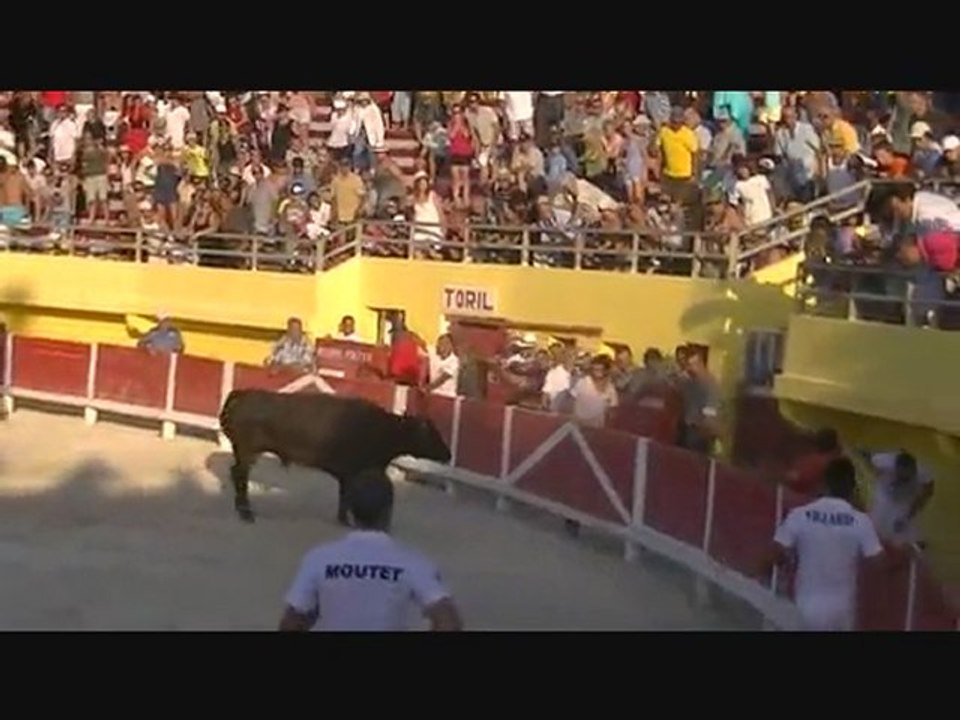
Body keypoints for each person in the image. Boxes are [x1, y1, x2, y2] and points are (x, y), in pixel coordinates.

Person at [278, 468, 464, 632]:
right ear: (388, 511)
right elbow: (449, 622)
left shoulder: (319, 559)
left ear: (349, 513)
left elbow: (292, 622)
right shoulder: (412, 561)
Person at [761, 457, 885, 632]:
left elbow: (774, 555)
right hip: (843, 609)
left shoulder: (800, 515)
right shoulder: (861, 521)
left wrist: (761, 572)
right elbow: (879, 562)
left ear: (824, 483)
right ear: (852, 488)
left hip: (807, 606)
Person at [864, 450, 934, 549]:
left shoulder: (923, 474)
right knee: (880, 517)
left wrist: (909, 515)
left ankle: (911, 540)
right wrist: (875, 472)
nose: (903, 480)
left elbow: (927, 493)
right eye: (901, 477)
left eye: (907, 477)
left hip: (908, 494)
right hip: (884, 491)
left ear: (914, 471)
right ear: (894, 468)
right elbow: (867, 457)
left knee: (902, 519)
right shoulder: (883, 462)